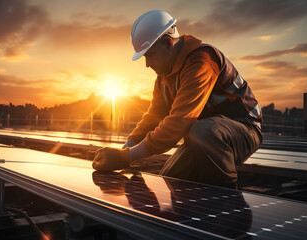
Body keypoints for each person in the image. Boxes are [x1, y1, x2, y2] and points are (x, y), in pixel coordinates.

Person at [92, 10, 263, 189]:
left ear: (167, 43)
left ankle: (229, 198)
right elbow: (153, 118)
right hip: (203, 138)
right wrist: (122, 151)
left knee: (203, 131)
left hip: (244, 130)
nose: (147, 64)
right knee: (171, 179)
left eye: (149, 55)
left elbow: (178, 122)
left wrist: (124, 158)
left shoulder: (202, 61)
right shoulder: (164, 76)